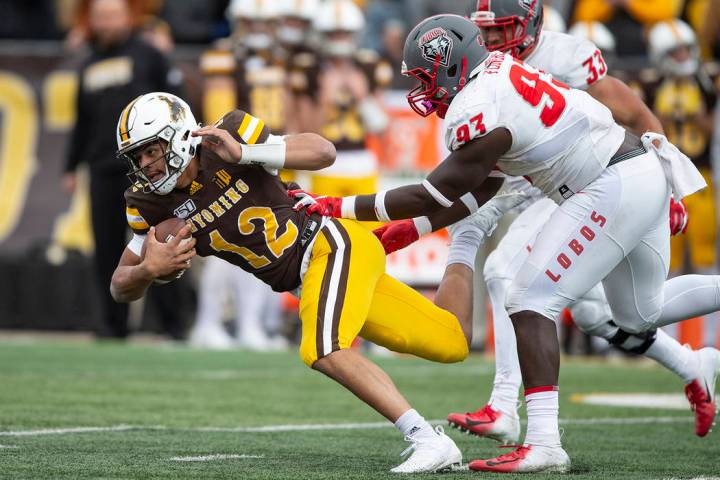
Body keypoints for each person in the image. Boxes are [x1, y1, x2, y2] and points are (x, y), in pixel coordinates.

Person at [291, 14, 714, 472]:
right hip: (635, 170)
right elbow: (483, 186)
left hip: (606, 184)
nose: (422, 90)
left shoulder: (477, 105)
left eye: (425, 77)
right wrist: (413, 228)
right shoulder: (496, 76)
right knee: (639, 313)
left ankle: (545, 442)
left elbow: (437, 191)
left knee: (529, 299)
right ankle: (699, 364)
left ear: (451, 67)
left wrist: (340, 207)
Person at [109, 92, 492, 473]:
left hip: (329, 244)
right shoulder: (148, 204)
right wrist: (146, 270)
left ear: (177, 136)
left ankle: (426, 439)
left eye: (151, 151)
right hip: (310, 279)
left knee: (323, 349)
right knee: (451, 342)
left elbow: (323, 151)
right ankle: (468, 234)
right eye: (137, 157)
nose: (146, 165)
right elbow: (119, 286)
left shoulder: (227, 135)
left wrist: (245, 154)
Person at [63, 0, 185, 339]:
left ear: (128, 17)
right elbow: (82, 121)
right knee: (106, 248)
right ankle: (112, 325)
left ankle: (173, 326)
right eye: (100, 16)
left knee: (161, 242)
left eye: (113, 15)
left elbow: (177, 103)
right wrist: (70, 166)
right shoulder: (88, 63)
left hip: (151, 170)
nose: (106, 22)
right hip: (102, 167)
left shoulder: (149, 54)